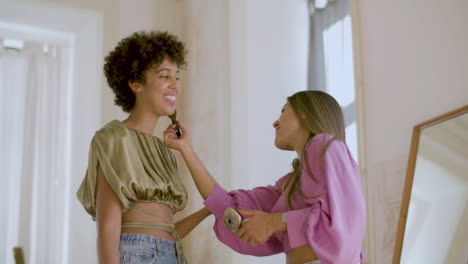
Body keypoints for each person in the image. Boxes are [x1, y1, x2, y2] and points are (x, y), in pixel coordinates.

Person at [163, 90, 366, 264]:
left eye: (283, 111)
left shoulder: (327, 146)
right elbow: (231, 209)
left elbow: (346, 223)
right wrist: (186, 149)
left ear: (305, 113)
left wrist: (278, 221)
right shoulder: (290, 185)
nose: (275, 122)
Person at [76, 31, 211, 264]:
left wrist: (208, 210)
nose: (175, 86)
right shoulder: (114, 138)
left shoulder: (166, 152)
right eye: (164, 76)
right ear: (135, 82)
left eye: (176, 77)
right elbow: (108, 228)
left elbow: (166, 234)